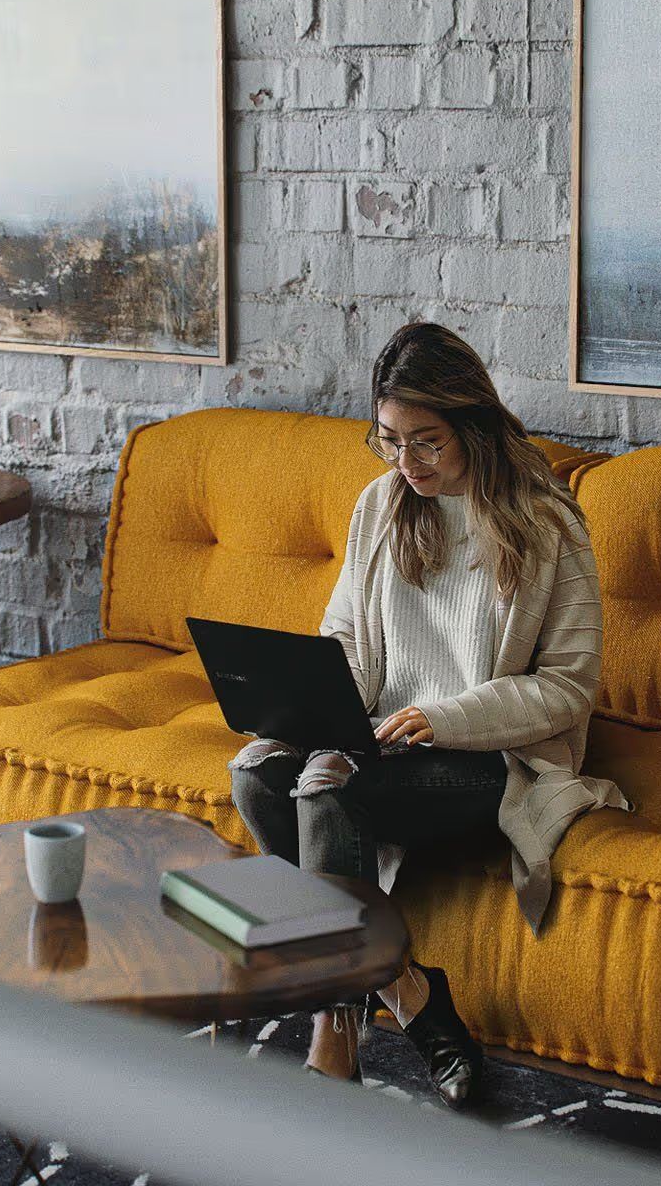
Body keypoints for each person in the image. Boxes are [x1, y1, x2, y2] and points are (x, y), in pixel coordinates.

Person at [228, 322, 630, 1107]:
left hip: (490, 756)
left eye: (426, 443)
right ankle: (409, 991)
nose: (406, 463)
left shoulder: (546, 524)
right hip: (381, 739)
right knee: (257, 773)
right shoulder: (381, 506)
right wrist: (315, 707)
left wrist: (444, 718)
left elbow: (567, 687)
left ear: (471, 424)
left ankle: (334, 1030)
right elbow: (346, 637)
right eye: (389, 440)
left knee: (327, 789)